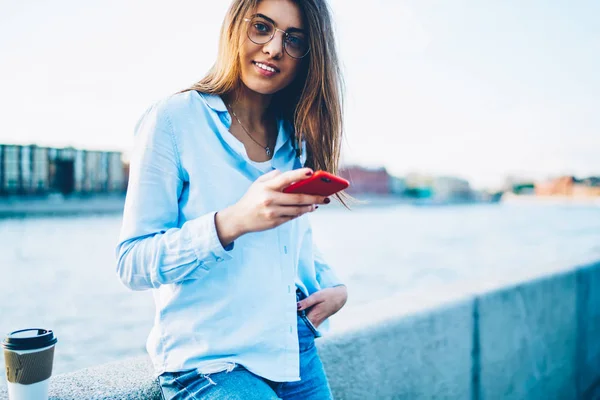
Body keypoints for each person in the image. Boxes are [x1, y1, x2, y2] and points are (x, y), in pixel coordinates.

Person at [116, 0, 349, 398]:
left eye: (295, 39)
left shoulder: (295, 136)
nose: (275, 48)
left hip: (293, 346)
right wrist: (232, 221)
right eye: (262, 27)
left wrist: (330, 285)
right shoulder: (173, 119)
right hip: (212, 361)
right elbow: (132, 262)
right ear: (233, 27)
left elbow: (291, 241)